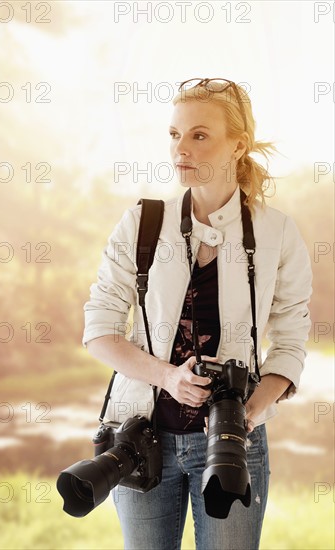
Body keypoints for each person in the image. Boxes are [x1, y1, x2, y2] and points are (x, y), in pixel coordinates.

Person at [82, 78, 312, 550]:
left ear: (238, 145)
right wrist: (167, 377)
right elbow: (100, 331)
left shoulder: (277, 233)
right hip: (139, 440)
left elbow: (289, 343)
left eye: (199, 135)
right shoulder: (142, 223)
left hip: (233, 441)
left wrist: (249, 412)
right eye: (174, 134)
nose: (180, 149)